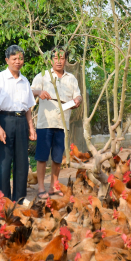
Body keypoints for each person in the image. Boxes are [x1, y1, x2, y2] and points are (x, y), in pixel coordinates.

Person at [0, 45, 37, 203]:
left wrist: (31, 127)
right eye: (14, 59)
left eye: (20, 58)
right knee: (4, 162)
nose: (18, 61)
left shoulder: (25, 81)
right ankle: (3, 200)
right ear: (7, 60)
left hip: (21, 121)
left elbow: (28, 107)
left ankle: (20, 199)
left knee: (22, 162)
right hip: (4, 120)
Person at [31, 47, 82, 198]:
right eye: (56, 58)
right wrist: (39, 92)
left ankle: (54, 186)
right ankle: (41, 188)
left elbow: (78, 96)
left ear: (66, 60)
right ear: (51, 59)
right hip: (45, 124)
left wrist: (78, 100)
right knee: (41, 157)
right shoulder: (43, 76)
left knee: (58, 158)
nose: (59, 61)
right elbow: (30, 90)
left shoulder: (71, 78)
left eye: (62, 58)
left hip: (62, 125)